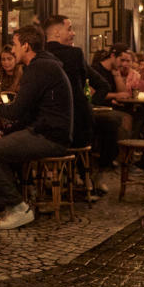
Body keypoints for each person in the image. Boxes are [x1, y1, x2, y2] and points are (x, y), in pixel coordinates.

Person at [0, 25, 73, 230]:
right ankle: (13, 203)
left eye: (15, 45)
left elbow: (17, 111)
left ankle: (18, 207)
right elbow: (28, 113)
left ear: (26, 46)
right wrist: (4, 134)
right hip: (49, 133)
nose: (12, 50)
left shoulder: (39, 67)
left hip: (49, 137)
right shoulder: (45, 65)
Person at [43, 15, 115, 185]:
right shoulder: (75, 54)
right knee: (103, 125)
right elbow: (93, 85)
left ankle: (56, 178)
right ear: (56, 32)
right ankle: (85, 177)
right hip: (76, 127)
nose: (73, 33)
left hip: (48, 128)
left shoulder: (39, 55)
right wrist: (89, 104)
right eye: (69, 29)